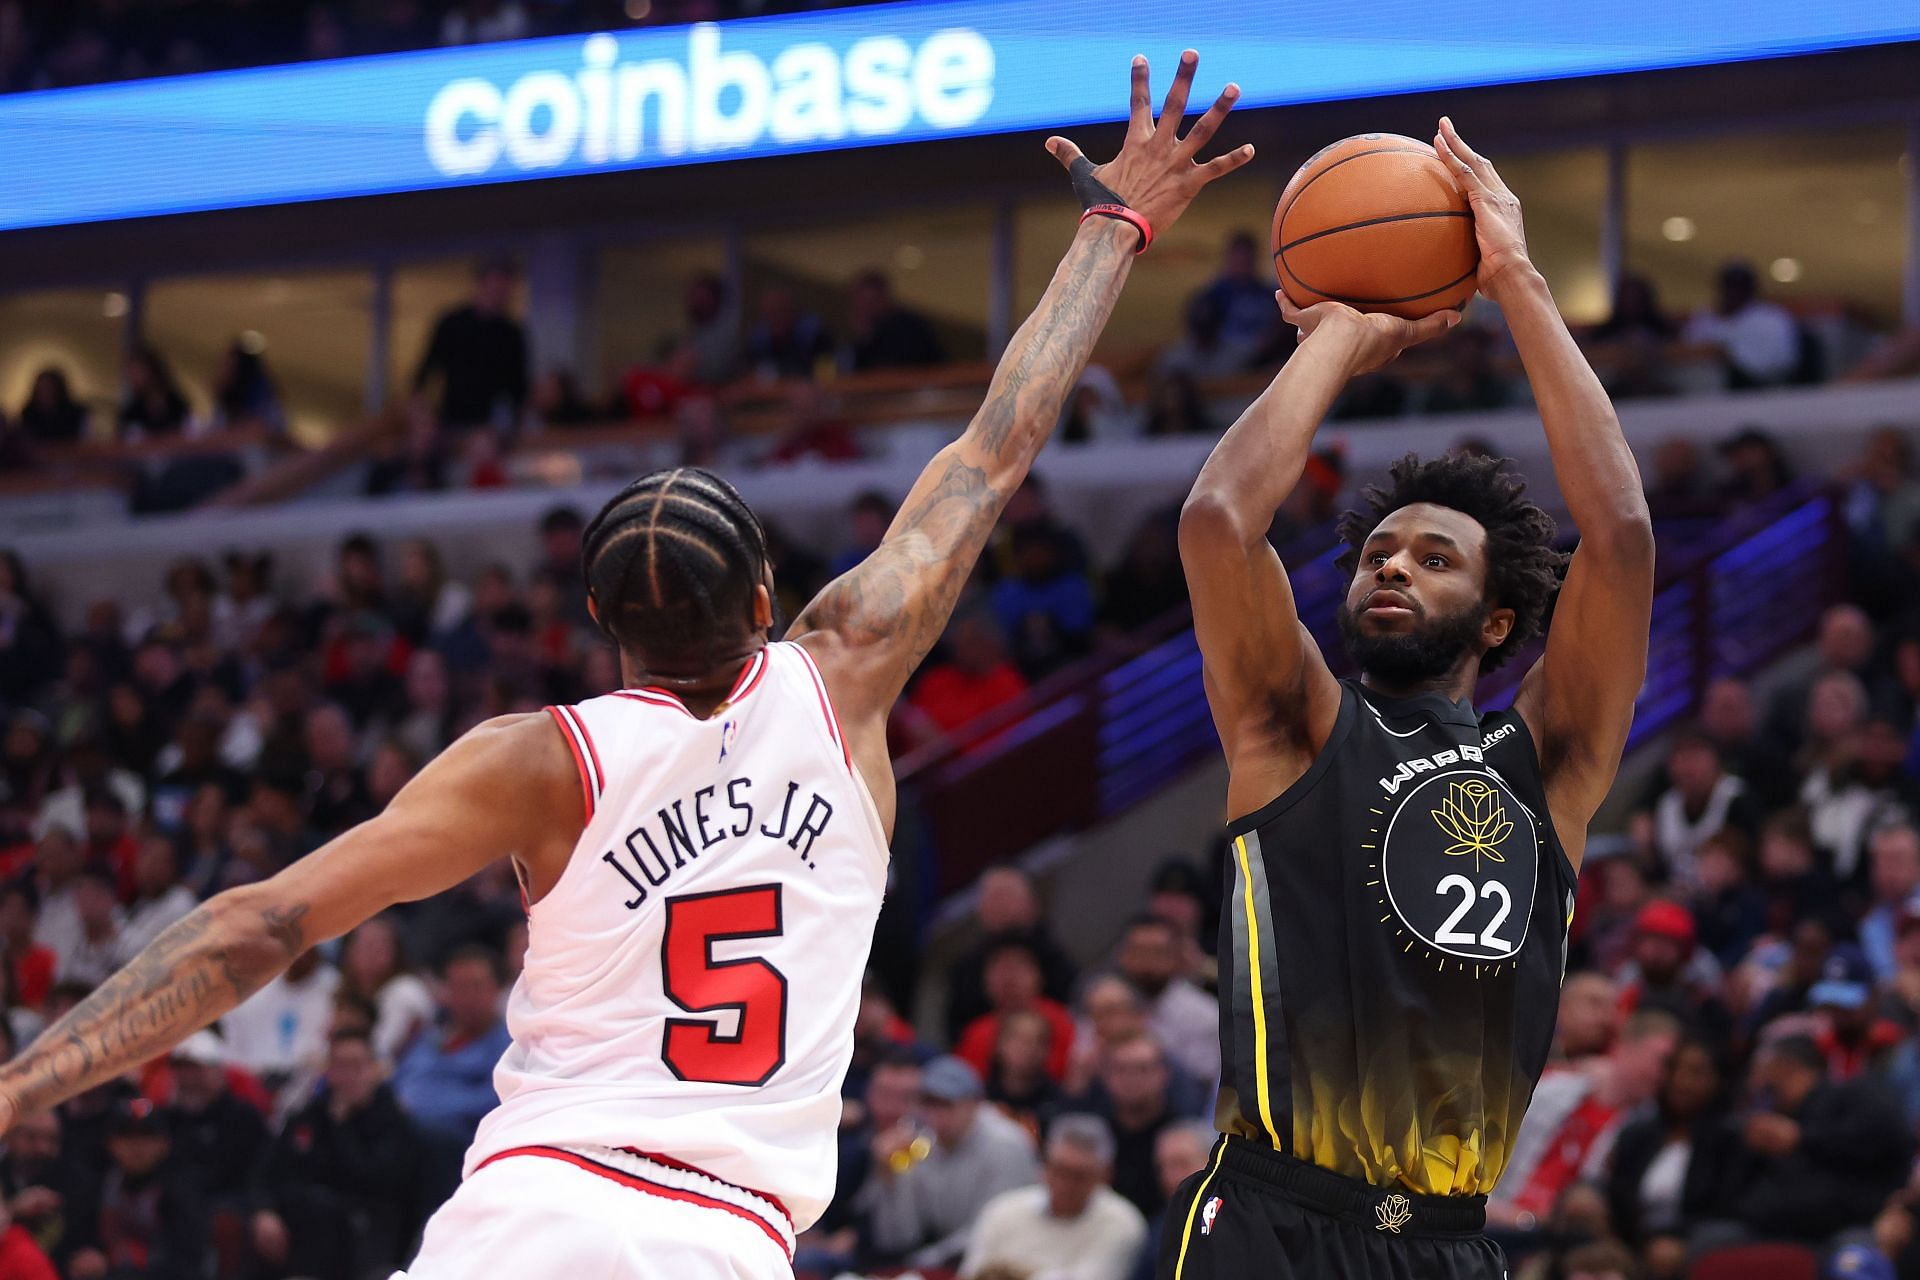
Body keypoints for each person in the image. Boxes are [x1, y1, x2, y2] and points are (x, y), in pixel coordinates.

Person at [0, 53, 1253, 1280]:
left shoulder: (536, 759)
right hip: (727, 1232)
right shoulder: (848, 670)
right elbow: (996, 444)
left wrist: (21, 1084)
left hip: (529, 1210)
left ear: (602, 623)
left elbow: (257, 923)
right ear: (768, 592)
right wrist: (1116, 225)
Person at [1167, 118, 1653, 1280]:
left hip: (1448, 1244)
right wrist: (1337, 336)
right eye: (1379, 549)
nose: (1392, 564)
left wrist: (1518, 281)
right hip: (1273, 1222)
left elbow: (1623, 535)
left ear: (1497, 621)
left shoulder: (1551, 762)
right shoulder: (1294, 721)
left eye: (1435, 556)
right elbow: (1216, 522)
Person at [252, 1028, 423, 1280]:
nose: (348, 1076)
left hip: (363, 1230)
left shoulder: (394, 1122)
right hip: (299, 1226)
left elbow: (374, 1182)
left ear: (374, 1070)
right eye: (339, 1066)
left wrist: (342, 1128)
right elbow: (270, 1170)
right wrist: (264, 1211)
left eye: (357, 1066)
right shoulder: (310, 1115)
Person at [1487, 1010, 1680, 1228]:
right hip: (1494, 1214)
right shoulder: (1551, 1090)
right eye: (1662, 1061)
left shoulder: (1645, 1131)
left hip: (1560, 1235)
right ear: (1625, 1047)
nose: (1666, 1075)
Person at [1722, 1033, 1913, 1245]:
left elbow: (1883, 1137)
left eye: (1759, 1073)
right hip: (1784, 1229)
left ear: (1784, 1067)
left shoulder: (1852, 1094)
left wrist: (1801, 1138)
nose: (1755, 1083)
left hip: (1859, 1225)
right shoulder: (1784, 1118)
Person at [862, 1055, 1040, 1271]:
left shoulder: (1006, 1144)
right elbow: (899, 1236)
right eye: (929, 1103)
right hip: (944, 1260)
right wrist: (889, 1176)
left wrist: (927, 1260)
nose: (936, 1115)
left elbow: (997, 1227)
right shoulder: (922, 1142)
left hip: (1009, 1262)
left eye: (947, 1104)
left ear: (974, 1103)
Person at [960, 1113, 1148, 1280]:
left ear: (1104, 1176)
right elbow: (972, 1273)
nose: (1065, 1184)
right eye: (1058, 1170)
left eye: (1079, 1176)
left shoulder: (1122, 1224)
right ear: (1044, 1166)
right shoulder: (1003, 1211)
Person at [1603, 1037, 1741, 1261]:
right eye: (1675, 1069)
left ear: (1718, 1080)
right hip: (1630, 1237)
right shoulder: (1638, 1133)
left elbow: (1724, 1209)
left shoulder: (1731, 1141)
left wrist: (1672, 1238)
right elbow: (1617, 1196)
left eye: (1696, 1073)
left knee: (1663, 1255)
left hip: (1690, 1242)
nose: (1681, 1081)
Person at [411, 256, 529, 432]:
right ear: (482, 283)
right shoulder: (453, 322)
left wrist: (516, 421)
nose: (501, 290)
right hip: (451, 415)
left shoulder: (511, 333)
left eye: (505, 285)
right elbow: (429, 365)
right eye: (496, 283)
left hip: (490, 423)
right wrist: (419, 403)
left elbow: (518, 384)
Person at [1113, 915, 1218, 1086]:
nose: (1148, 962)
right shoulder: (1105, 1004)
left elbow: (1202, 1082)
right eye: (1139, 952)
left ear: (1178, 957)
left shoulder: (1203, 1013)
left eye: (1158, 952)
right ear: (1122, 956)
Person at [1682, 261, 1802, 390]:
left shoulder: (1772, 318)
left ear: (1750, 289)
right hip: (1703, 388)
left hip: (1761, 389)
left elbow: (1782, 362)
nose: (1732, 292)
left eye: (1739, 287)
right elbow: (1686, 351)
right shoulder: (1704, 317)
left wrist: (1733, 357)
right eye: (1728, 286)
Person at [845, 269, 943, 372]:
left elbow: (896, 370)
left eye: (870, 302)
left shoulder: (907, 326)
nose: (864, 308)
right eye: (859, 303)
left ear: (884, 298)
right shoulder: (868, 337)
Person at [16, 368, 88, 445]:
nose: (45, 392)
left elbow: (83, 441)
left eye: (49, 388)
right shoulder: (29, 414)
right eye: (41, 388)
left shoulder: (74, 413)